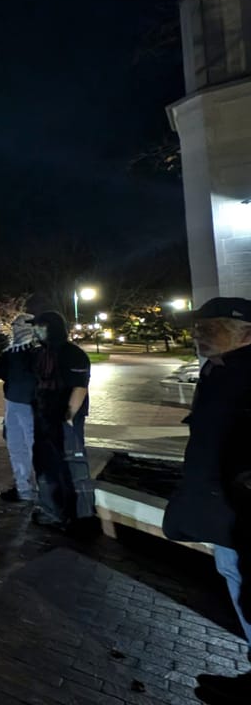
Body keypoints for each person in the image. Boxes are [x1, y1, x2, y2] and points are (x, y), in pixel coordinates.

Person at [161, 298, 251, 704]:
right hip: (223, 510)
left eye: (212, 326)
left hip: (243, 509)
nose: (199, 333)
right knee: (238, 583)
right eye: (198, 326)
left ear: (246, 331)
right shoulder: (218, 370)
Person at [28, 311, 92, 528]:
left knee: (71, 464)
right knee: (46, 465)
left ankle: (78, 514)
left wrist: (69, 417)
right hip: (44, 418)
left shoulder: (72, 354)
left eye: (40, 326)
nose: (35, 331)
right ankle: (51, 510)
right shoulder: (42, 353)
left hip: (64, 419)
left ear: (51, 328)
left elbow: (79, 387)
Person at [0, 314, 39, 502]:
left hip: (28, 405)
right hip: (18, 403)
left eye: (16, 326)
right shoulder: (23, 351)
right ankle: (25, 488)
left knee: (28, 447)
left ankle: (33, 489)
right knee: (19, 446)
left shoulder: (27, 351)